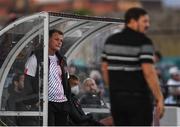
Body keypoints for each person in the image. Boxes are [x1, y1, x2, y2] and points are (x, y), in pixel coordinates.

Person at [101, 7, 164, 126]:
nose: (147, 25)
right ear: (132, 21)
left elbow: (105, 68)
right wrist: (159, 98)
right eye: (144, 21)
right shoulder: (144, 42)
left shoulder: (110, 41)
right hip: (139, 100)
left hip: (117, 100)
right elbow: (149, 72)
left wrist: (114, 89)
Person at [24, 29, 71, 125]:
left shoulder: (62, 59)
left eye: (61, 40)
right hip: (46, 102)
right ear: (48, 40)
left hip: (62, 102)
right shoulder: (36, 57)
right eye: (56, 39)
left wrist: (68, 100)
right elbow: (28, 83)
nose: (59, 42)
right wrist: (35, 100)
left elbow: (66, 81)